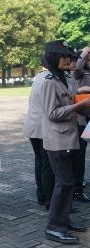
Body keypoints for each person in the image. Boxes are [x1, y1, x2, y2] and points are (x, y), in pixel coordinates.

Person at [39, 40, 90, 244]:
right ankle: (54, 227)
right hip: (57, 140)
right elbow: (52, 113)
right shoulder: (48, 81)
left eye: (69, 56)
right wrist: (79, 106)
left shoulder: (64, 77)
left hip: (69, 137)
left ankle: (64, 220)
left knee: (68, 184)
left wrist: (80, 98)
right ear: (52, 58)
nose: (67, 59)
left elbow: (68, 100)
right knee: (64, 183)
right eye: (63, 56)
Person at [23, 69, 55, 210]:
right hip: (42, 125)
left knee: (40, 162)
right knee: (47, 164)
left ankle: (42, 195)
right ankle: (50, 199)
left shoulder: (40, 76)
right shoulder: (50, 78)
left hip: (34, 124)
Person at [67, 48, 90, 203]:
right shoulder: (78, 72)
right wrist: (85, 50)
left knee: (82, 152)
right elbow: (78, 65)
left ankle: (79, 183)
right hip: (81, 117)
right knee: (79, 154)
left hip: (87, 118)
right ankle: (77, 188)